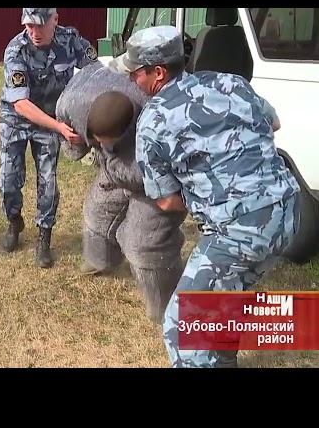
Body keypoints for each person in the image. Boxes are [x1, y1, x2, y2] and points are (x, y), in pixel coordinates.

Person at [112, 25, 300, 367]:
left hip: (241, 234)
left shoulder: (152, 123)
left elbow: (167, 200)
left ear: (158, 72)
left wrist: (208, 191)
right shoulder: (229, 82)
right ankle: (222, 356)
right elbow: (273, 124)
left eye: (136, 73)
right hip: (288, 212)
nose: (132, 80)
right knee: (223, 297)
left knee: (181, 329)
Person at [56, 62, 186, 323]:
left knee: (145, 243)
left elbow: (174, 177)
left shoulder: (161, 118)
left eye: (108, 138)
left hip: (151, 176)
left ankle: (167, 306)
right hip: (113, 165)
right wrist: (79, 144)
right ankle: (100, 261)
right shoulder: (73, 102)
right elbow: (71, 144)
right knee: (97, 212)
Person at [0, 8, 98, 267]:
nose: (34, 32)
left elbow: (95, 72)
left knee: (48, 181)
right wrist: (59, 127)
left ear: (55, 20)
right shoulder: (16, 49)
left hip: (50, 121)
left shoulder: (71, 40)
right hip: (17, 119)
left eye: (40, 26)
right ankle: (14, 221)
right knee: (8, 179)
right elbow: (20, 104)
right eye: (29, 25)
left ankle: (44, 237)